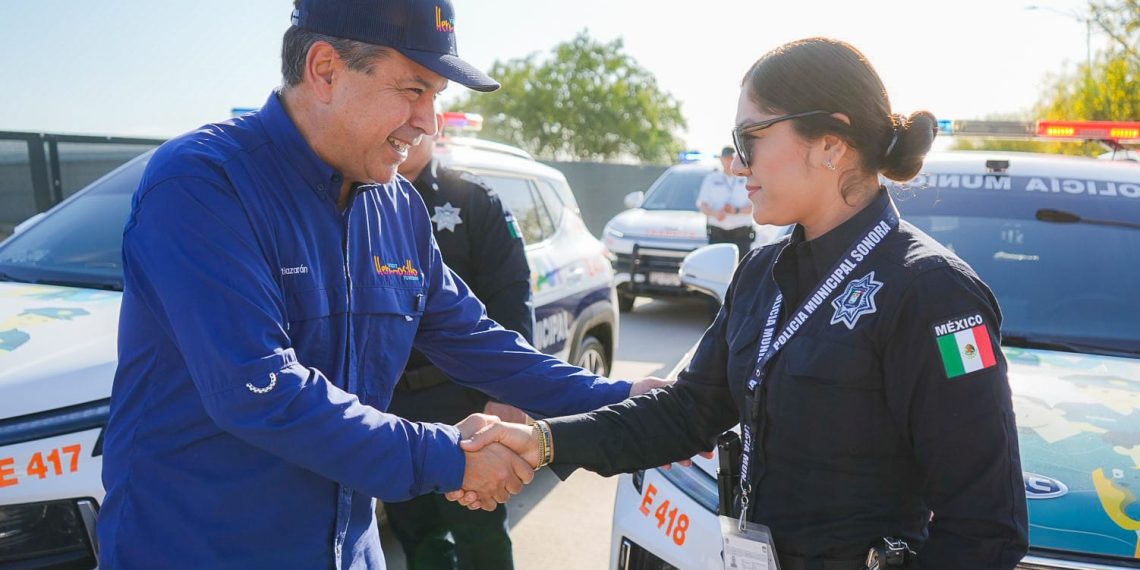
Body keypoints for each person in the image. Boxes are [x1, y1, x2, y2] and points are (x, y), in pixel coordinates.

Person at [98, 1, 665, 568]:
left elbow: (476, 340)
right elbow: (262, 390)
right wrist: (454, 456)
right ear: (325, 70)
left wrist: (625, 401)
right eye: (413, 90)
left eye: (436, 96)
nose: (429, 122)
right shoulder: (203, 183)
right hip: (199, 550)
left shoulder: (397, 206)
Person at [455, 37, 1029, 569]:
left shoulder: (934, 293)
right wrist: (546, 440)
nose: (735, 165)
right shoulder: (761, 271)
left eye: (748, 140)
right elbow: (687, 412)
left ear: (831, 143)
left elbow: (985, 527)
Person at [384, 121, 533, 569]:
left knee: (479, 533)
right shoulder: (361, 194)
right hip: (388, 404)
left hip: (460, 399)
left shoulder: (471, 197)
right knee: (417, 535)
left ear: (437, 124)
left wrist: (507, 396)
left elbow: (511, 297)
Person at [697, 146, 754, 260]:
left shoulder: (747, 178)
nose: (729, 161)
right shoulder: (711, 179)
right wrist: (715, 213)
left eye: (731, 158)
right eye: (726, 158)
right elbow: (702, 205)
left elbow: (755, 206)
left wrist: (736, 210)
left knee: (741, 272)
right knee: (716, 270)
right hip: (718, 234)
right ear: (721, 159)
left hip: (741, 235)